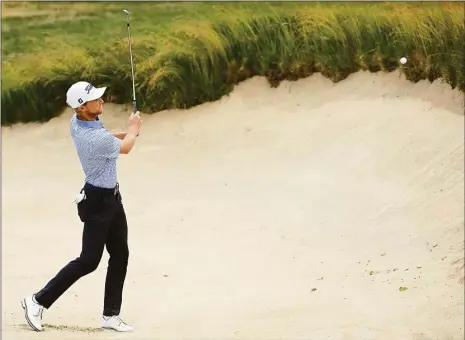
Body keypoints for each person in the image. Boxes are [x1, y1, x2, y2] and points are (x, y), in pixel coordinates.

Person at [21, 81, 142, 332]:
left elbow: (110, 139)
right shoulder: (93, 137)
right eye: (95, 99)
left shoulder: (78, 123)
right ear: (81, 106)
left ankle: (111, 315)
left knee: (120, 253)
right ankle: (37, 301)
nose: (102, 100)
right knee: (88, 261)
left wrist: (124, 134)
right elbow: (126, 148)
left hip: (112, 199)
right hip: (98, 204)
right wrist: (132, 129)